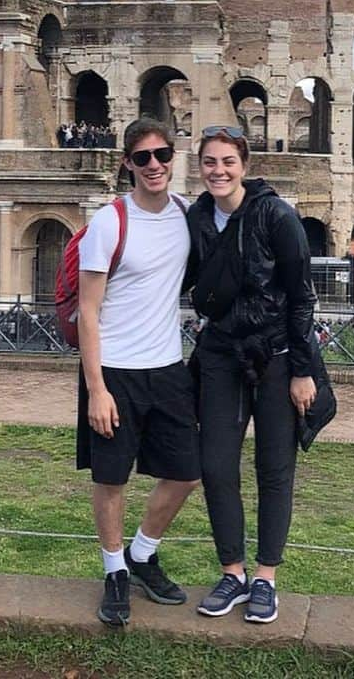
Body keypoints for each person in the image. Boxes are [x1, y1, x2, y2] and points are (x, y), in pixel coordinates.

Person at [186, 125, 316, 625]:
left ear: (244, 164)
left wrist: (302, 371)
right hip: (221, 353)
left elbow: (302, 295)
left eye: (227, 162)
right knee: (216, 464)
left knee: (274, 468)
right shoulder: (196, 217)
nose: (218, 171)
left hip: (277, 354)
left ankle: (266, 577)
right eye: (209, 163)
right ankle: (232, 572)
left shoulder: (276, 215)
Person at [76, 118, 200, 627]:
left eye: (162, 154)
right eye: (143, 157)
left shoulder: (186, 214)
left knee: (187, 472)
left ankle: (142, 553)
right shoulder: (109, 222)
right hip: (116, 370)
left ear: (173, 157)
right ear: (127, 162)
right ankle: (114, 573)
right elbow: (87, 310)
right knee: (112, 478)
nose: (155, 165)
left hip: (167, 367)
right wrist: (96, 389)